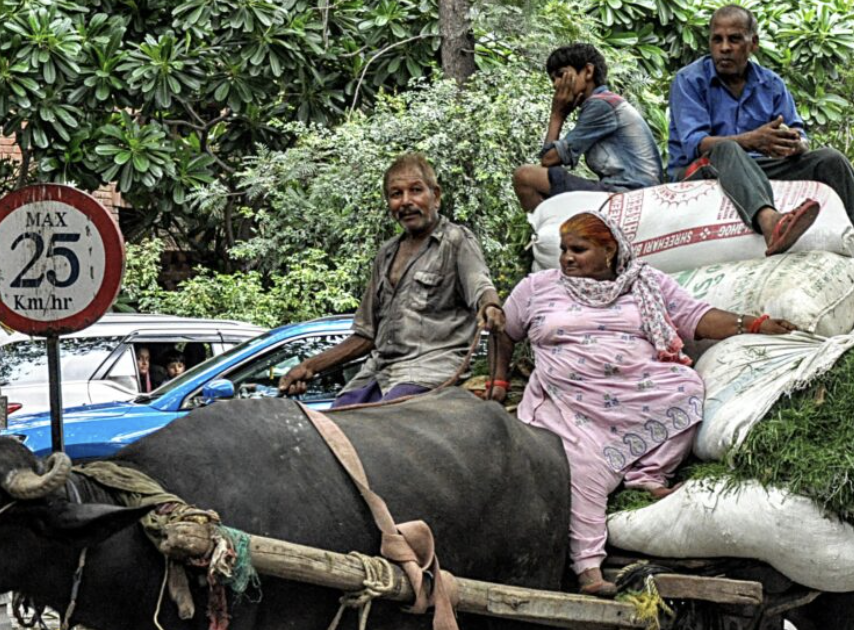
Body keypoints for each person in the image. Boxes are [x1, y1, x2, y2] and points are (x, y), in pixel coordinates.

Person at [481, 211, 795, 597]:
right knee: (581, 468)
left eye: (578, 249)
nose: (566, 258)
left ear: (609, 251)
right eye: (563, 250)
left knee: (686, 388)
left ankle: (647, 473)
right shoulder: (536, 288)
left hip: (638, 393)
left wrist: (755, 324)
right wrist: (497, 380)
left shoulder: (645, 283)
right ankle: (589, 569)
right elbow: (504, 332)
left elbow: (695, 317)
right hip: (568, 401)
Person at [278, 152, 500, 405]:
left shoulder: (456, 241)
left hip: (429, 372)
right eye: (396, 194)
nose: (406, 201)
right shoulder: (387, 254)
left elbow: (480, 285)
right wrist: (309, 367)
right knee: (335, 422)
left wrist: (490, 305)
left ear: (435, 196)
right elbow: (366, 334)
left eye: (416, 190)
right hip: (378, 373)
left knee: (382, 425)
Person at [668, 4, 854, 255]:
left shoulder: (771, 84)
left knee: (830, 159)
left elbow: (800, 135)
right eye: (717, 40)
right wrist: (752, 140)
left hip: (753, 167)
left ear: (753, 43)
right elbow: (695, 144)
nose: (724, 47)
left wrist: (794, 144)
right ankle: (771, 223)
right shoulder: (689, 80)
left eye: (734, 39)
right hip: (698, 168)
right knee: (727, 148)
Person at [513, 43, 663, 214]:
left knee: (525, 176)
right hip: (628, 191)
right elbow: (548, 165)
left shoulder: (601, 104)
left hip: (629, 193)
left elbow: (549, 160)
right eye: (553, 79)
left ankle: (546, 236)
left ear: (588, 72)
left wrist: (557, 115)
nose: (556, 85)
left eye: (561, 75)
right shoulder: (603, 102)